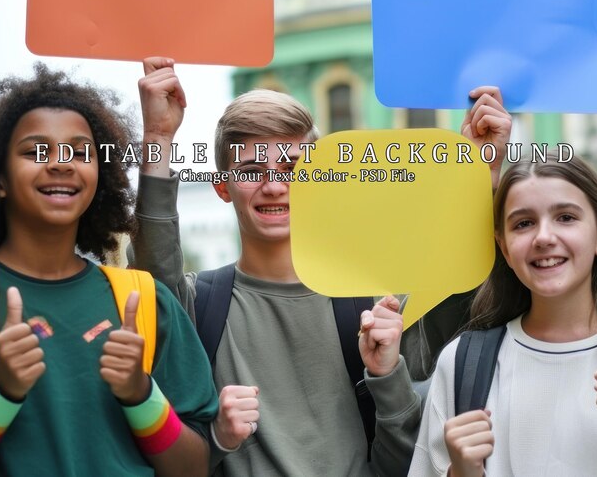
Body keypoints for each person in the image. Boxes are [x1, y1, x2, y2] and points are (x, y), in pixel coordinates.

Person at [131, 57, 512, 476]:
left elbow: (410, 453)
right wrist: (157, 138)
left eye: (293, 168)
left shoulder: (378, 302)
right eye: (252, 170)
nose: (274, 186)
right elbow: (154, 273)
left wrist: (481, 177)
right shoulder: (200, 303)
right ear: (223, 187)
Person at [0, 63, 218, 476]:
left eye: (81, 152)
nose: (61, 163)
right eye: (34, 150)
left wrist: (141, 395)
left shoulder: (148, 302)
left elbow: (194, 468)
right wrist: (0, 395)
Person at [409, 152, 597, 477]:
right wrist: (461, 473)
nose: (544, 237)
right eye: (524, 223)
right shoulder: (461, 362)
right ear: (503, 247)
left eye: (566, 217)